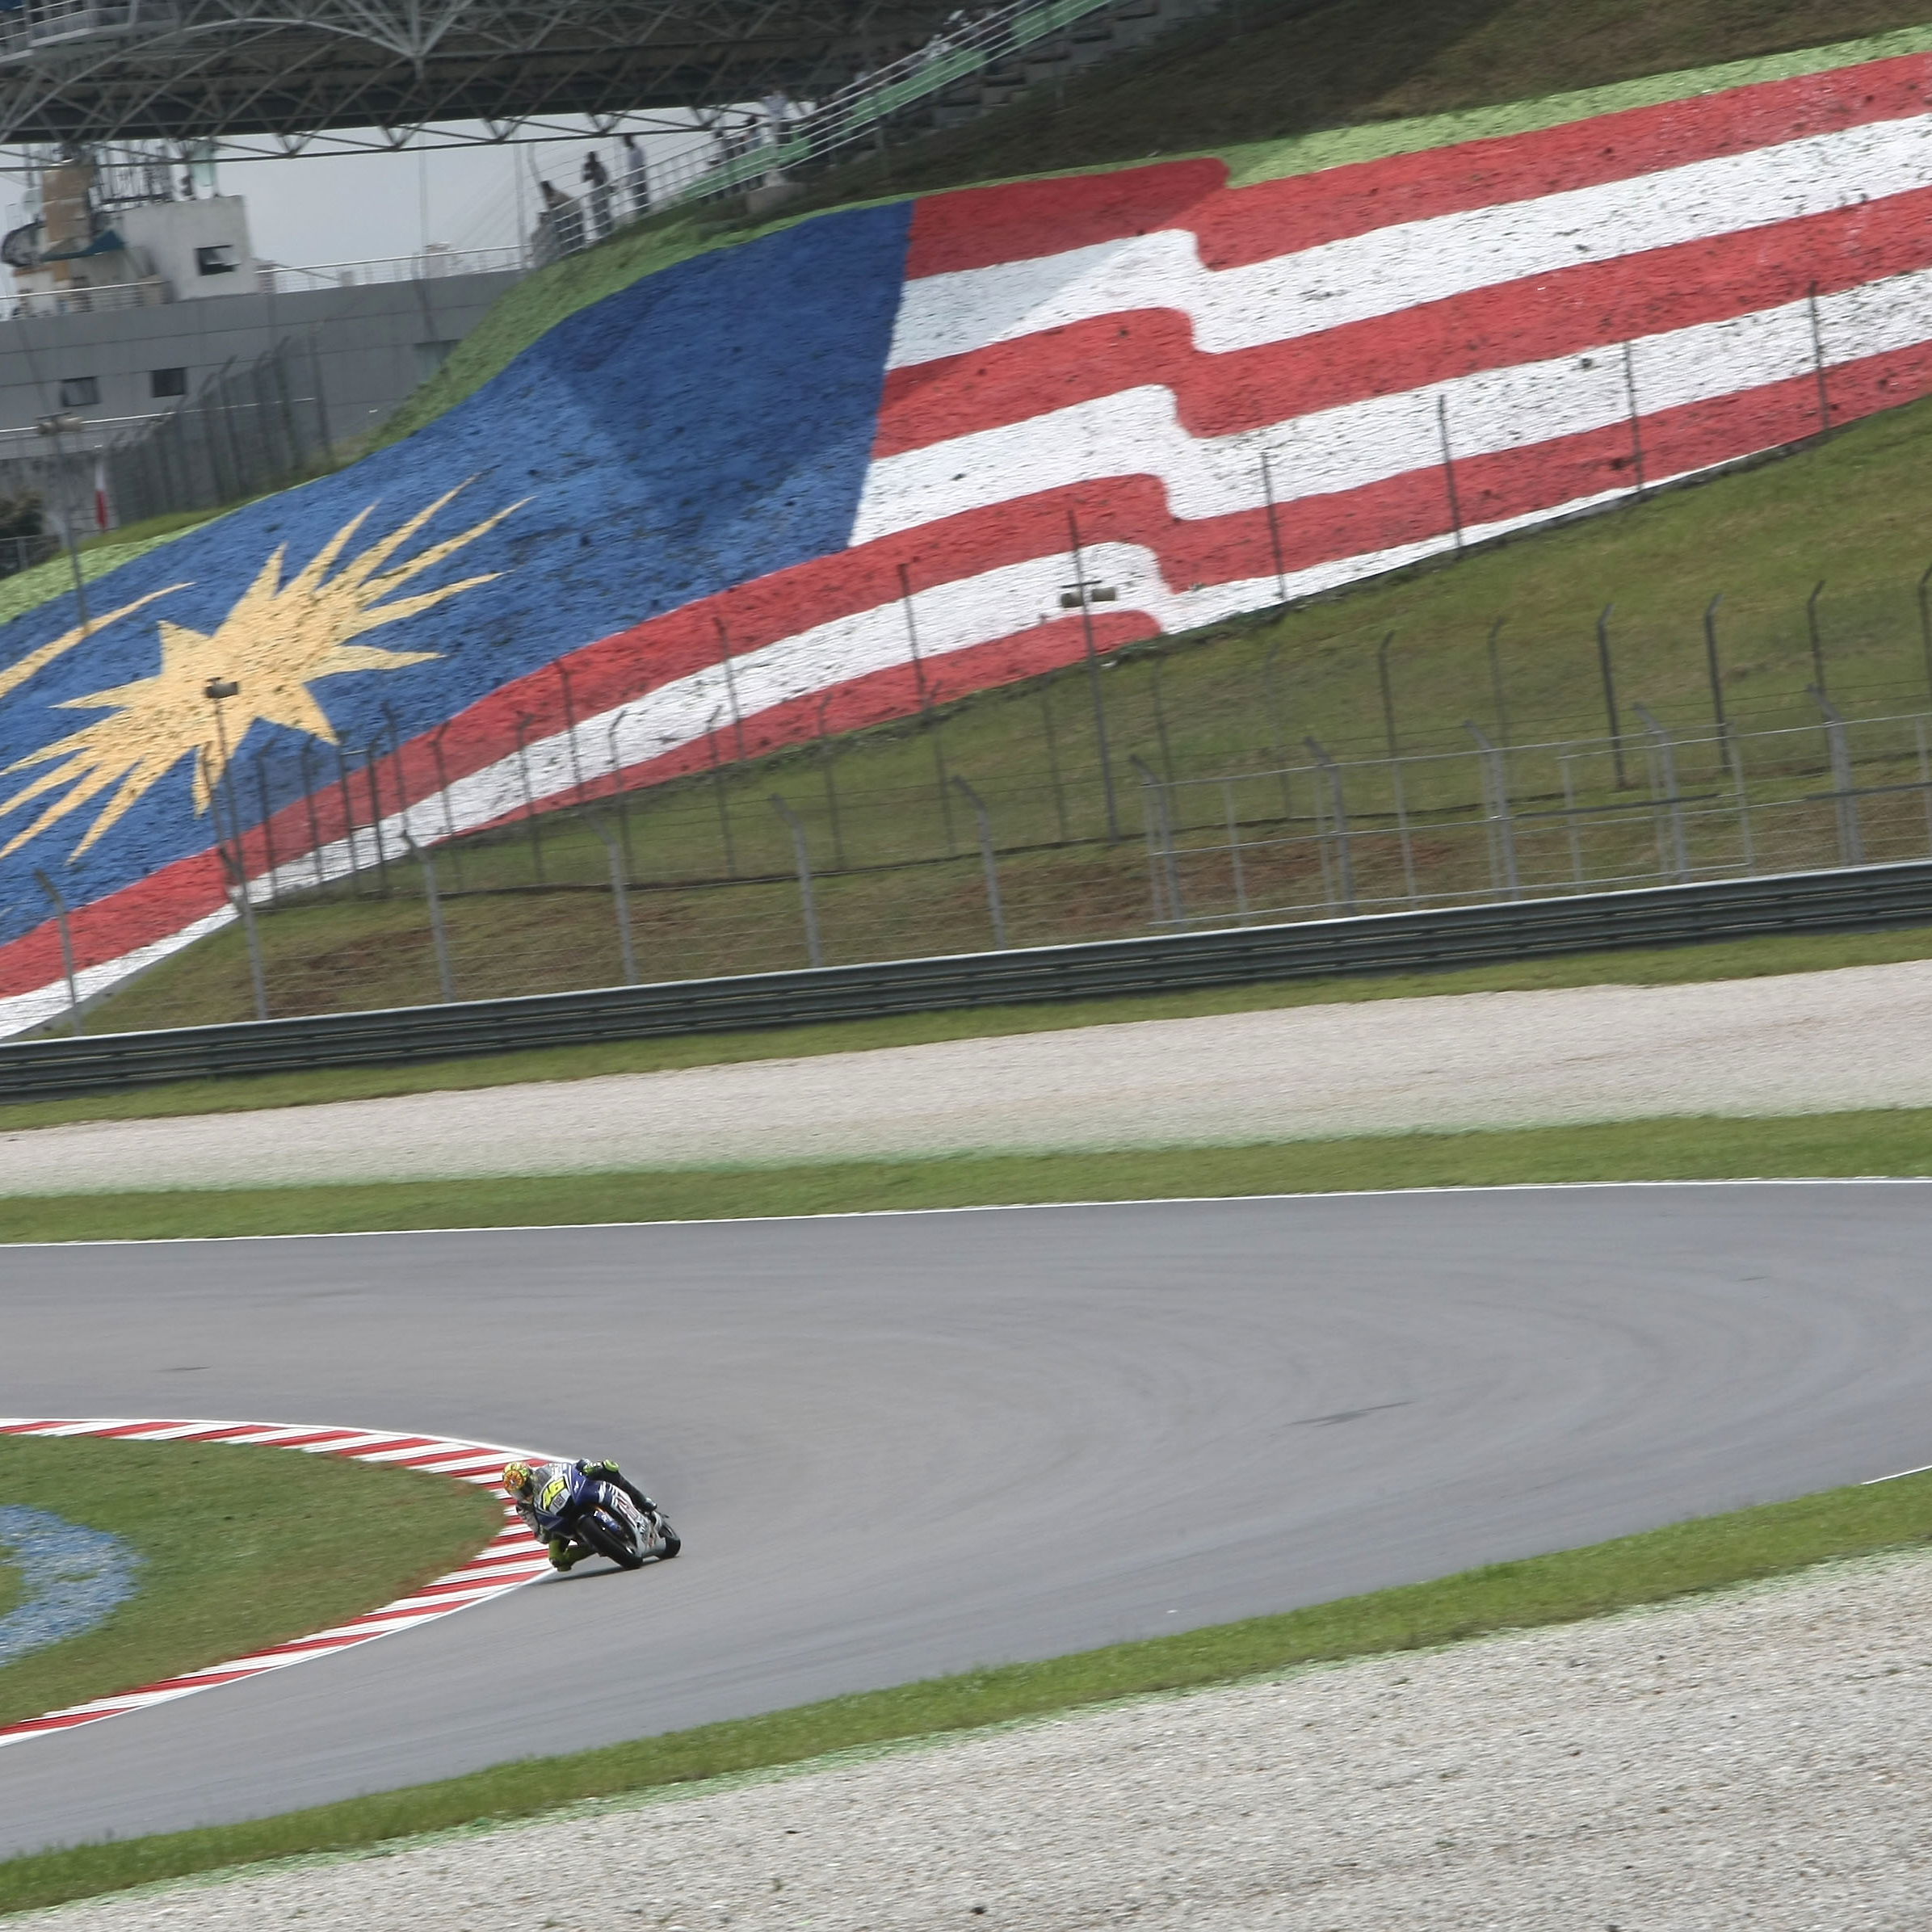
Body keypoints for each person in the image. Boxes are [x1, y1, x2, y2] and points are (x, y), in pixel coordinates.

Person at [502, 1456, 663, 1571]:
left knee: (607, 1467)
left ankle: (642, 1500)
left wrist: (585, 1466)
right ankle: (597, 1544)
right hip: (555, 1521)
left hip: (572, 1495)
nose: (523, 1494)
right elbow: (540, 1536)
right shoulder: (523, 1508)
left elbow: (568, 1469)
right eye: (518, 1493)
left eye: (525, 1488)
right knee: (557, 1559)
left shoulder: (545, 1471)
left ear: (532, 1478)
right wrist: (543, 1528)